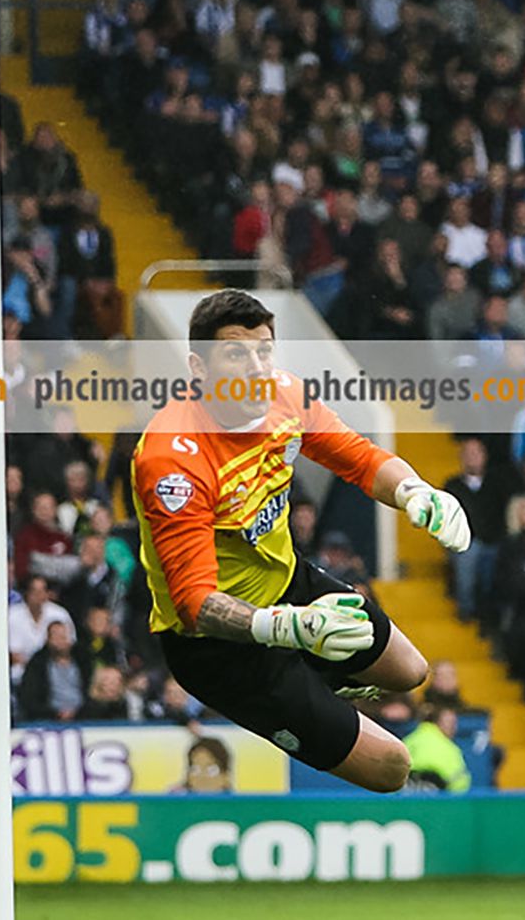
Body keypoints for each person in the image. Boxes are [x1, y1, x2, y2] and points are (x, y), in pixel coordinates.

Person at [131, 290, 455, 791]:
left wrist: (415, 491)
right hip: (217, 647)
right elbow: (193, 604)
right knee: (392, 769)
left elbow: (362, 459)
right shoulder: (173, 460)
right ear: (199, 368)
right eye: (237, 353)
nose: (257, 366)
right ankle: (281, 699)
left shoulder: (286, 395)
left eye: (264, 350)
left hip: (288, 584)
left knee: (411, 670)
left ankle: (310, 677)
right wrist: (286, 629)